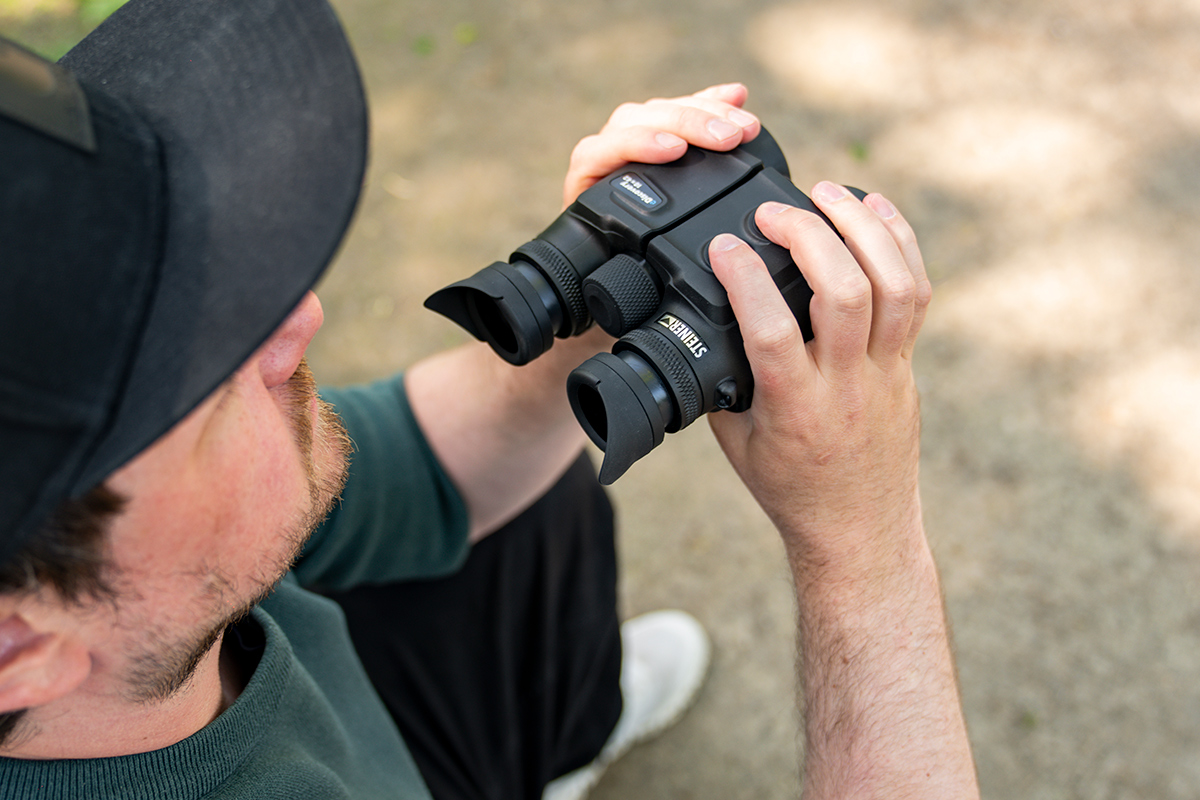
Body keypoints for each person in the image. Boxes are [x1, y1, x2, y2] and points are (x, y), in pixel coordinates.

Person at [0, 0, 979, 798]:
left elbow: (416, 465)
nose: (296, 317)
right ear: (21, 644)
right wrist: (862, 543)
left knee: (524, 509)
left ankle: (559, 734)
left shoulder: (120, 587)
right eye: (200, 378)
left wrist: (606, 289)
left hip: (345, 719)